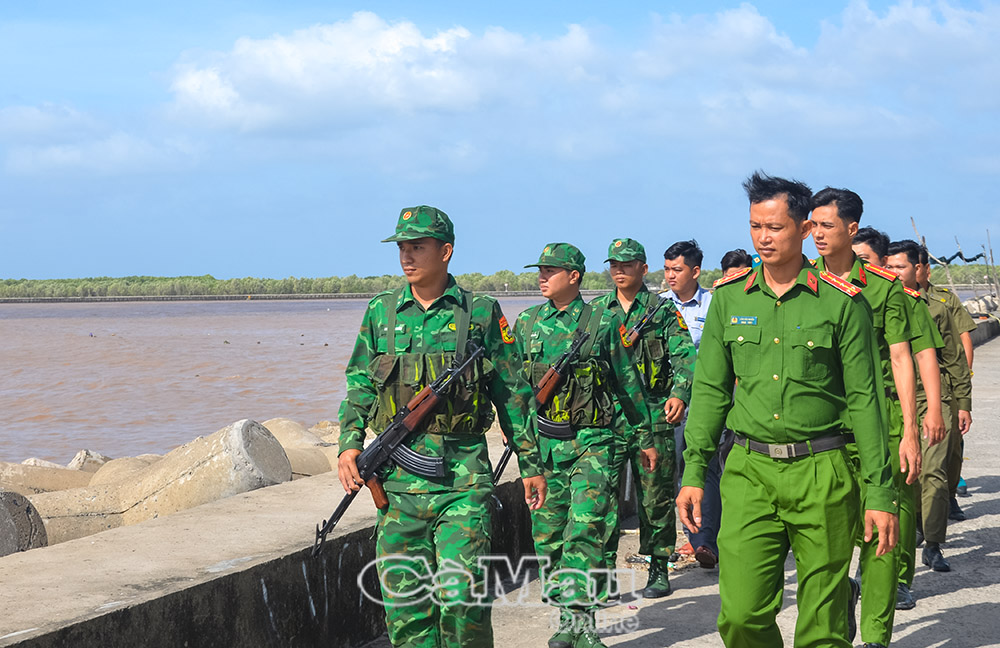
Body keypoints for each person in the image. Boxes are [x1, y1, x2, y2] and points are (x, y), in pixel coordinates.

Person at [677, 171, 898, 648]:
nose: (763, 238)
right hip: (748, 472)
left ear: (803, 228)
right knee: (740, 616)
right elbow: (710, 391)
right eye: (755, 226)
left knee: (822, 628)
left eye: (775, 227)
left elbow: (866, 401)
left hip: (823, 472)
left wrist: (880, 492)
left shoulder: (841, 304)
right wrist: (693, 471)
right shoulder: (729, 300)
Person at [337, 206, 546, 648]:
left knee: (463, 600)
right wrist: (348, 444)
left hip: (462, 483)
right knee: (407, 611)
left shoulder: (481, 312)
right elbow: (360, 384)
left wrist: (531, 464)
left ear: (446, 251)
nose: (406, 256)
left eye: (417, 246)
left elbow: (511, 392)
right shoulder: (381, 312)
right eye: (402, 247)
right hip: (397, 487)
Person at [515, 242, 656, 648]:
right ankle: (567, 618)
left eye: (551, 270)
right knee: (549, 538)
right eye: (540, 270)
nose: (542, 277)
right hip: (545, 446)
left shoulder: (602, 322)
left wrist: (644, 437)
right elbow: (515, 391)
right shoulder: (526, 323)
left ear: (574, 276)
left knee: (586, 530)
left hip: (592, 444)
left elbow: (627, 383)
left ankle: (584, 626)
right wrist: (519, 440)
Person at [809, 188, 920, 647]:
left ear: (851, 228)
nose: (816, 234)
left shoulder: (883, 287)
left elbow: (901, 357)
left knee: (882, 538)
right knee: (827, 541)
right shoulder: (800, 281)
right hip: (822, 434)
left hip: (878, 429)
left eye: (826, 225)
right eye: (812, 225)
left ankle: (875, 635)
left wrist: (910, 430)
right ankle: (838, 618)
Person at [592, 238, 696, 599]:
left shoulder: (662, 311)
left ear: (643, 268)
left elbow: (685, 357)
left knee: (656, 497)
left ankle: (658, 567)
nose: (619, 270)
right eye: (614, 264)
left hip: (652, 416)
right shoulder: (597, 311)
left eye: (626, 264)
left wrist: (679, 393)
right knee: (602, 497)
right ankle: (604, 574)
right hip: (607, 418)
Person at [853, 227, 946, 611]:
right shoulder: (831, 294)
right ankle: (865, 572)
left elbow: (923, 355)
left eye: (865, 261)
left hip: (891, 411)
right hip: (847, 417)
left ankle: (899, 577)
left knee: (899, 499)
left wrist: (932, 411)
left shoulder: (903, 299)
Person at [886, 240, 972, 575]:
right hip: (895, 399)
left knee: (934, 471)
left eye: (900, 267)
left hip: (934, 399)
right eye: (889, 267)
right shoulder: (875, 303)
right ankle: (917, 527)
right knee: (910, 475)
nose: (894, 273)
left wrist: (962, 404)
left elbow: (954, 359)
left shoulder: (937, 306)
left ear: (917, 269)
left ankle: (933, 544)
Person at [664, 239, 722, 567]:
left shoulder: (714, 305)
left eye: (677, 269)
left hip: (705, 401)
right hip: (671, 404)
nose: (670, 275)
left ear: (695, 271)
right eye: (667, 269)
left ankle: (704, 541)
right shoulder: (659, 307)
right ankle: (685, 534)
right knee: (673, 468)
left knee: (704, 467)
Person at [916, 248, 978, 518]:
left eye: (916, 267)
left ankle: (949, 494)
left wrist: (963, 381)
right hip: (913, 386)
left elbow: (963, 339)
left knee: (952, 446)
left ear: (925, 269)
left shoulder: (944, 299)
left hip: (945, 383)